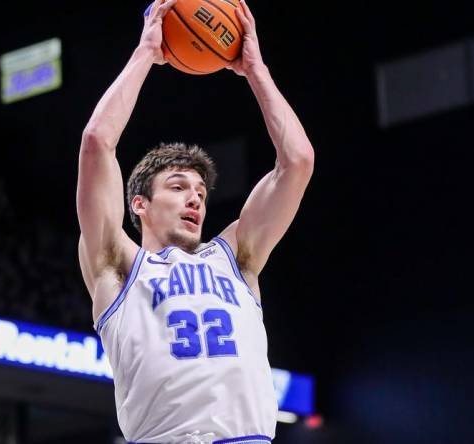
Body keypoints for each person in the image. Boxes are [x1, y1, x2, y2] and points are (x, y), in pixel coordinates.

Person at [76, 0, 315, 442]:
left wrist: (255, 70)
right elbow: (96, 143)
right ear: (139, 204)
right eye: (178, 186)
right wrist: (147, 51)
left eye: (202, 193)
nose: (196, 200)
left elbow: (297, 162)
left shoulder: (237, 258)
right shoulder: (118, 265)